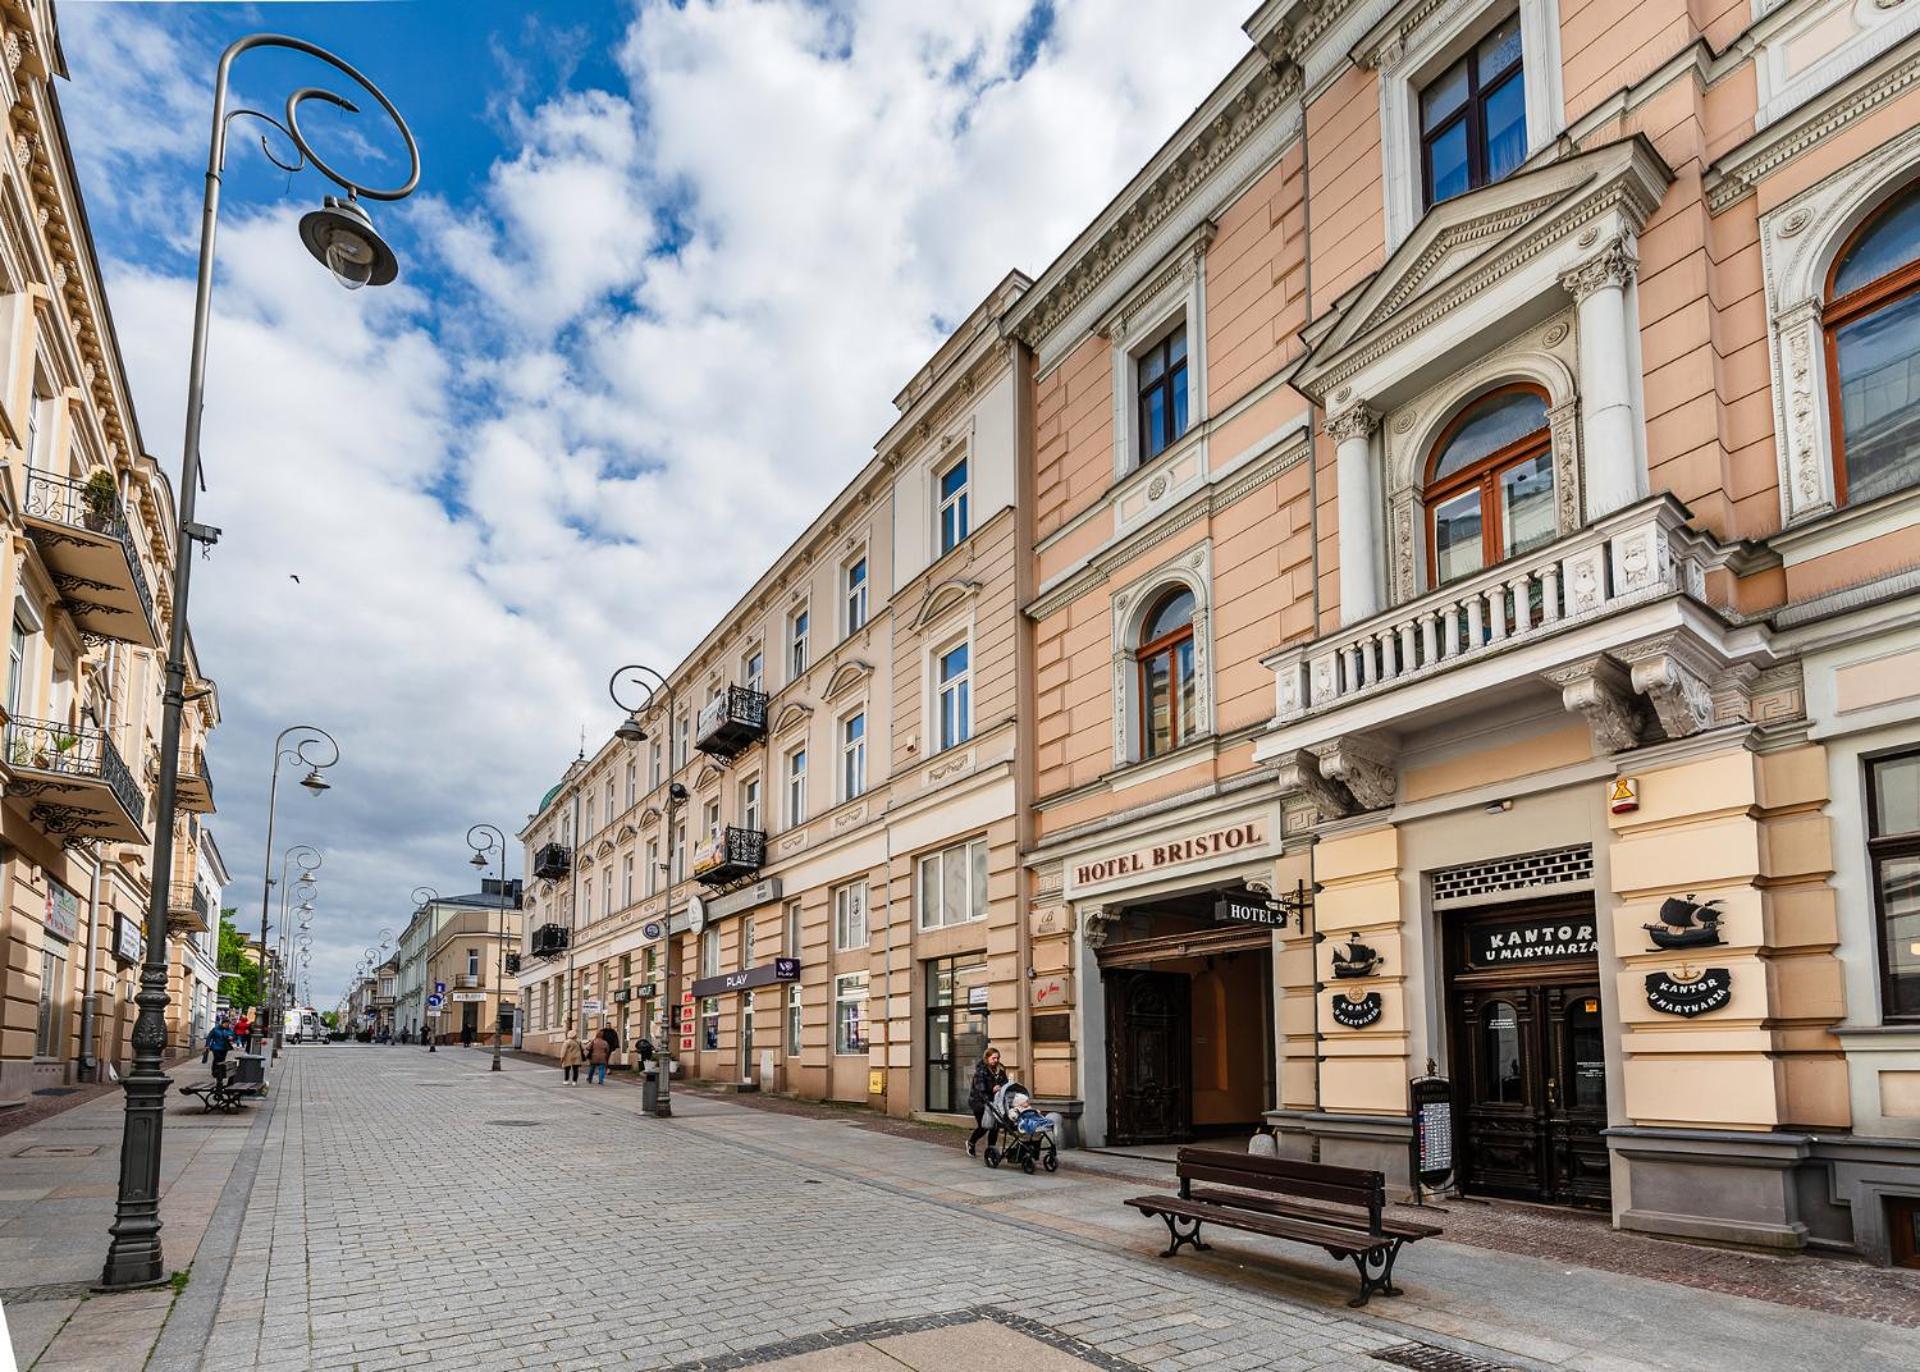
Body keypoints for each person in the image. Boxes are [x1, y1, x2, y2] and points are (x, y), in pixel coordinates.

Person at [967, 1046, 1008, 1158]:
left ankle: (991, 1150)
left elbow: (1005, 1083)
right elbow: (980, 1088)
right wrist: (992, 1089)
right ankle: (971, 1142)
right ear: (987, 1058)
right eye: (993, 1058)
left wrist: (1003, 1088)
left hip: (995, 1102)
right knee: (984, 1126)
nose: (996, 1060)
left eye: (997, 1058)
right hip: (979, 1102)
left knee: (995, 1127)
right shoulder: (981, 1071)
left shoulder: (1001, 1070)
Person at [202, 1018, 236, 1086]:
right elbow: (209, 1037)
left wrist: (232, 1038)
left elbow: (233, 1036)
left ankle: (220, 1071)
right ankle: (215, 1071)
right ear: (223, 1023)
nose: (227, 1025)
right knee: (217, 1059)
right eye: (226, 1024)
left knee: (222, 1060)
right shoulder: (216, 1029)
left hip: (224, 1047)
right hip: (216, 1047)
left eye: (228, 1024)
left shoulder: (229, 1030)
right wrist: (207, 1045)